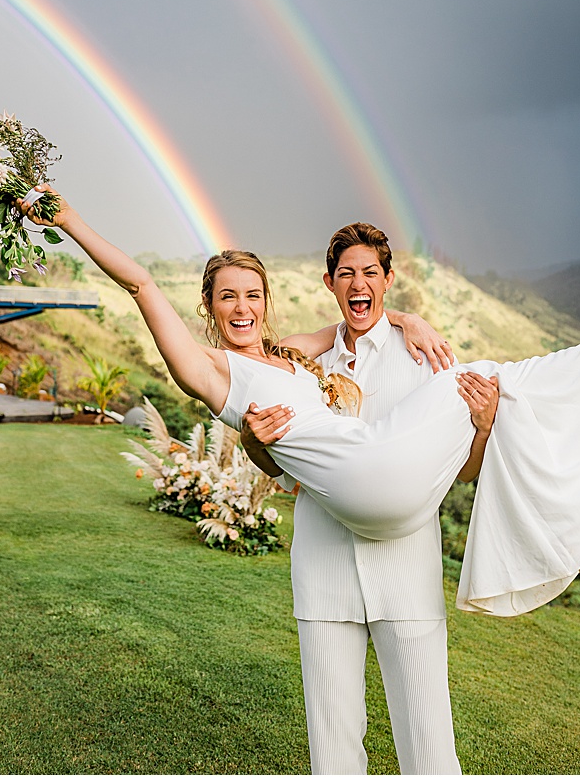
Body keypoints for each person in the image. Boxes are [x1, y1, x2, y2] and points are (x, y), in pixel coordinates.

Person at [20, 185, 580, 610]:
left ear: (267, 300)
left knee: (488, 388)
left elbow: (365, 314)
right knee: (479, 372)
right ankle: (570, 523)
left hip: (382, 468)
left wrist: (409, 316)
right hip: (361, 475)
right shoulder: (210, 370)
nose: (243, 308)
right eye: (228, 297)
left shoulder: (295, 352)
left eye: (253, 294)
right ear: (209, 307)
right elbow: (141, 283)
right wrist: (67, 217)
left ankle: (569, 527)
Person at [235, 222, 480, 774]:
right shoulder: (301, 364)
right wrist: (251, 441)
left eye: (370, 272)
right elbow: (282, 471)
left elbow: (460, 472)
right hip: (324, 572)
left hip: (407, 573)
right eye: (346, 273)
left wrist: (482, 428)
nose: (357, 282)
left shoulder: (427, 356)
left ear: (388, 280)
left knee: (429, 746)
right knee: (332, 745)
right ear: (329, 282)